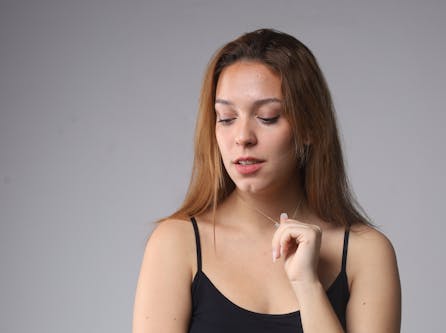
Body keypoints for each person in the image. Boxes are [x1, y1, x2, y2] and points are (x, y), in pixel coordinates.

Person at [132, 28, 401, 333]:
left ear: (310, 127)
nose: (243, 137)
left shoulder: (365, 254)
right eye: (226, 118)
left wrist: (307, 285)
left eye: (268, 117)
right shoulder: (175, 243)